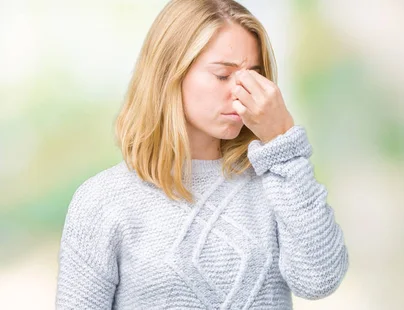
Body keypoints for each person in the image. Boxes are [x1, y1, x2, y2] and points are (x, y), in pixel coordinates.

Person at [54, 0, 349, 309]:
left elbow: (320, 281)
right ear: (170, 74)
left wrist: (283, 143)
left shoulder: (277, 181)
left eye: (254, 76)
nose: (241, 93)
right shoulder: (103, 200)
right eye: (223, 75)